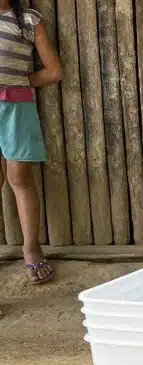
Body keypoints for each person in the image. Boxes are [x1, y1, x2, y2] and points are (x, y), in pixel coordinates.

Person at [0, 1, 62, 284]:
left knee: (19, 178)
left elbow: (54, 71)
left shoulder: (28, 20)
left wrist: (17, 83)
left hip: (16, 110)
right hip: (15, 108)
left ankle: (31, 248)